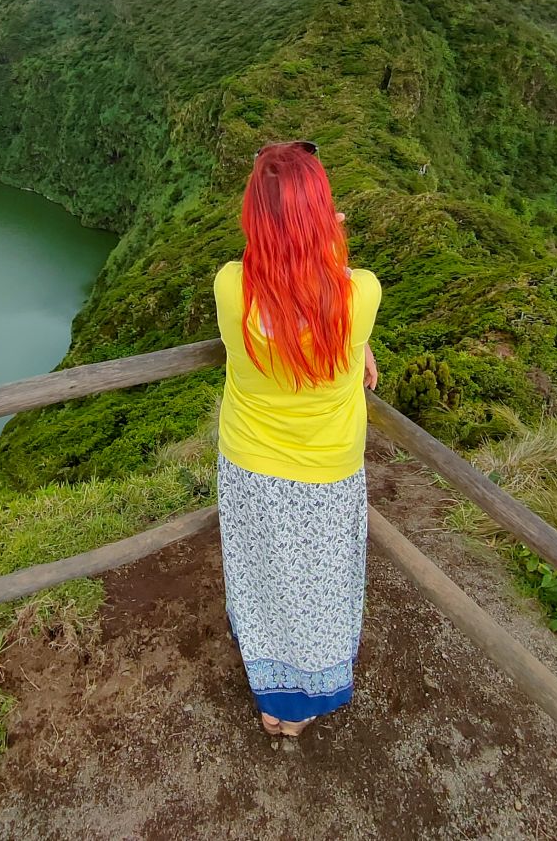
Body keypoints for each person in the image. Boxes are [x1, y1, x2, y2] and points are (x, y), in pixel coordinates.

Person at [213, 140, 382, 738]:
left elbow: (274, 282)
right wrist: (328, 243)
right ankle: (303, 704)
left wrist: (290, 238)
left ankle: (273, 698)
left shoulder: (231, 287)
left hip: (249, 466)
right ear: (324, 216)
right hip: (328, 473)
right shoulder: (362, 295)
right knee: (321, 589)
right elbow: (331, 296)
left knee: (262, 579)